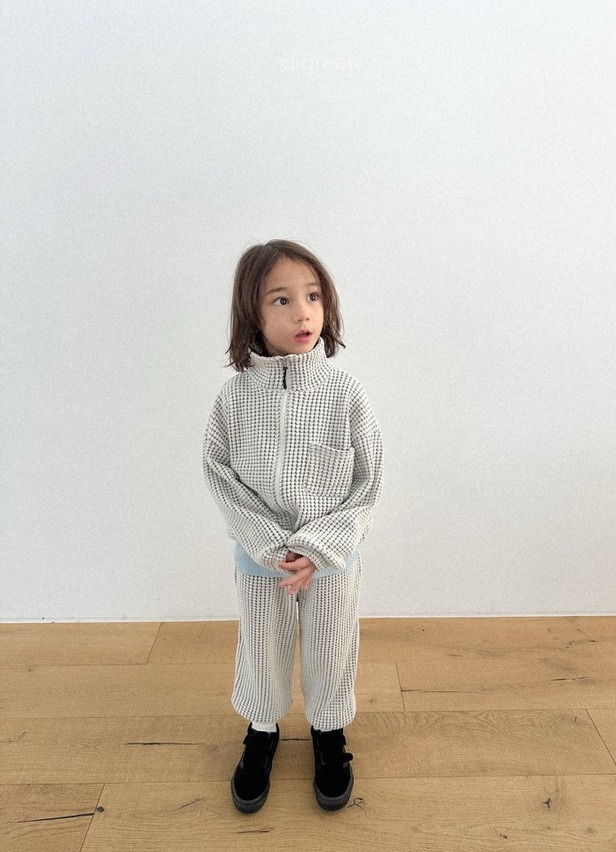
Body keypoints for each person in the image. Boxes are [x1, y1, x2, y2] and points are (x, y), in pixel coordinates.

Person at [203, 239, 383, 813]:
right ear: (251, 313)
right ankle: (262, 731)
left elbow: (367, 483)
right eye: (281, 300)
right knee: (263, 649)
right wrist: (268, 545)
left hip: (331, 561)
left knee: (332, 647)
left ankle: (329, 734)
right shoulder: (234, 398)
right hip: (263, 563)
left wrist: (318, 547)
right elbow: (219, 473)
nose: (302, 312)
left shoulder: (345, 394)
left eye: (313, 297)